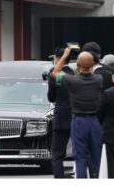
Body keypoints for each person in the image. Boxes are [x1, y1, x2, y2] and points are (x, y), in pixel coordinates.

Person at [52, 48, 103, 178]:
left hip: (79, 121)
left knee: (80, 157)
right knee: (96, 157)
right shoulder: (99, 79)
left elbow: (55, 72)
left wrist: (64, 56)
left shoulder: (72, 81)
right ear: (92, 65)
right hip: (95, 122)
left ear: (78, 65)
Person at [47, 48, 75, 178]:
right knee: (81, 152)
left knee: (58, 154)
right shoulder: (76, 73)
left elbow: (51, 97)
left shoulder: (54, 74)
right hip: (77, 116)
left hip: (61, 117)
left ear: (57, 58)